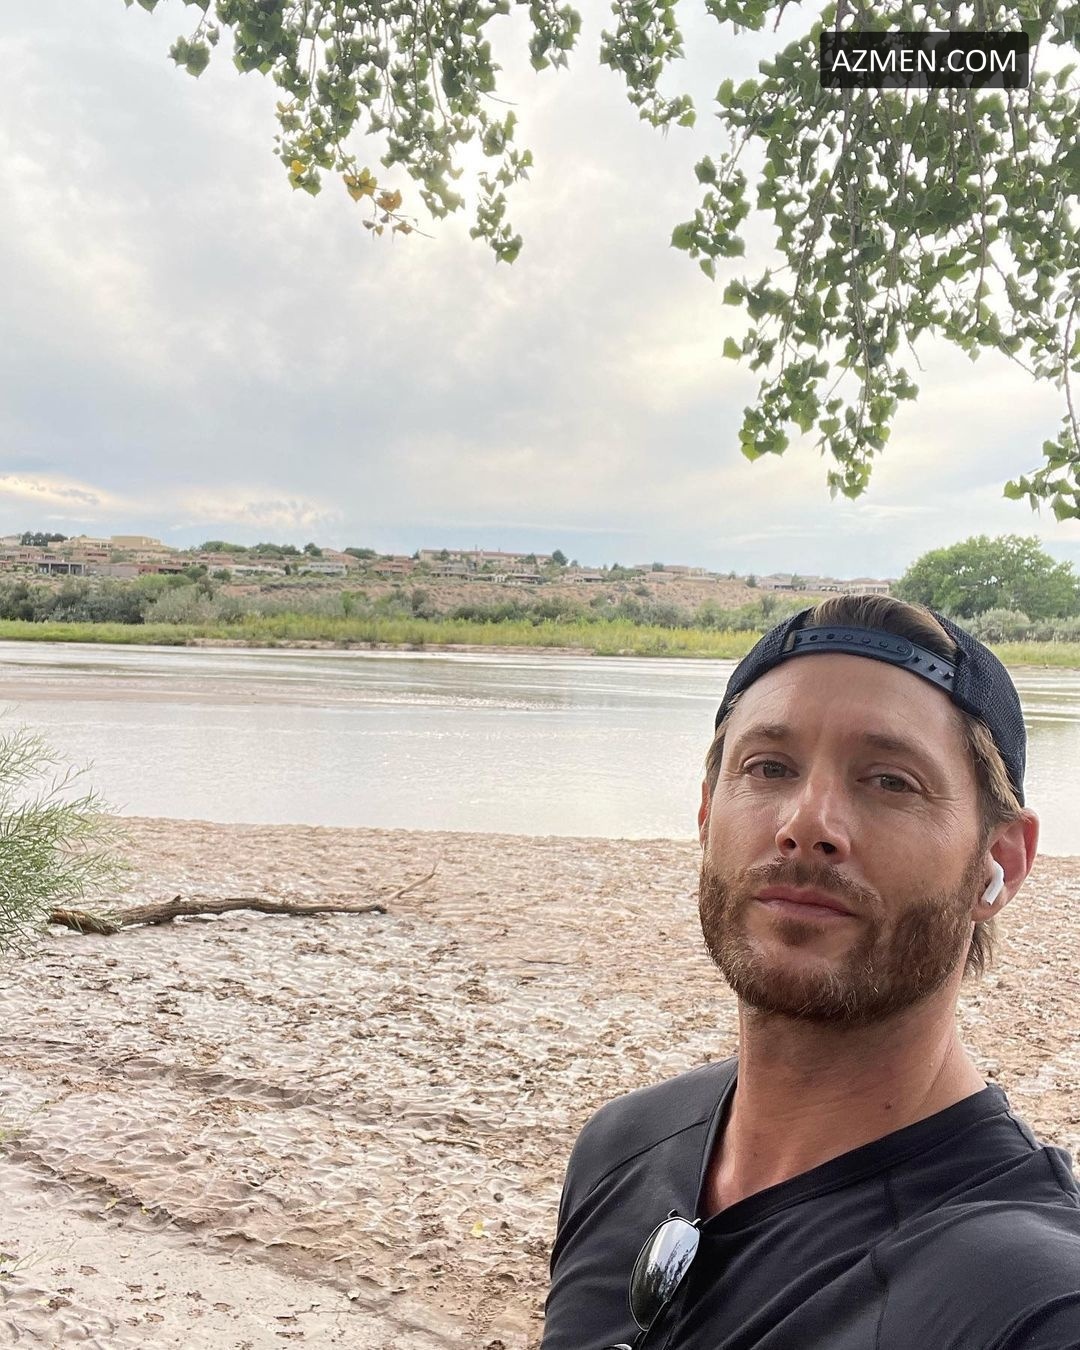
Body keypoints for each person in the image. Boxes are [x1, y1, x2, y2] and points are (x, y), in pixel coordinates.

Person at [540, 595, 1080, 1350]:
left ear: (1001, 861)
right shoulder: (622, 1145)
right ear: (707, 817)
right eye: (769, 768)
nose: (806, 825)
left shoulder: (1030, 1305)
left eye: (889, 781)